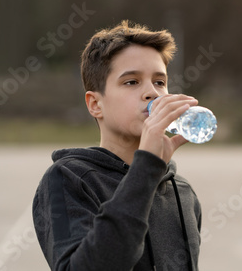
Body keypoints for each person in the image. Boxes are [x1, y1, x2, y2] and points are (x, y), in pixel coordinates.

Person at [32, 20, 202, 271]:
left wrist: (151, 168)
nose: (152, 93)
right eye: (131, 82)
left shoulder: (183, 191)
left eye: (159, 82)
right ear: (95, 104)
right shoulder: (69, 179)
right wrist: (146, 169)